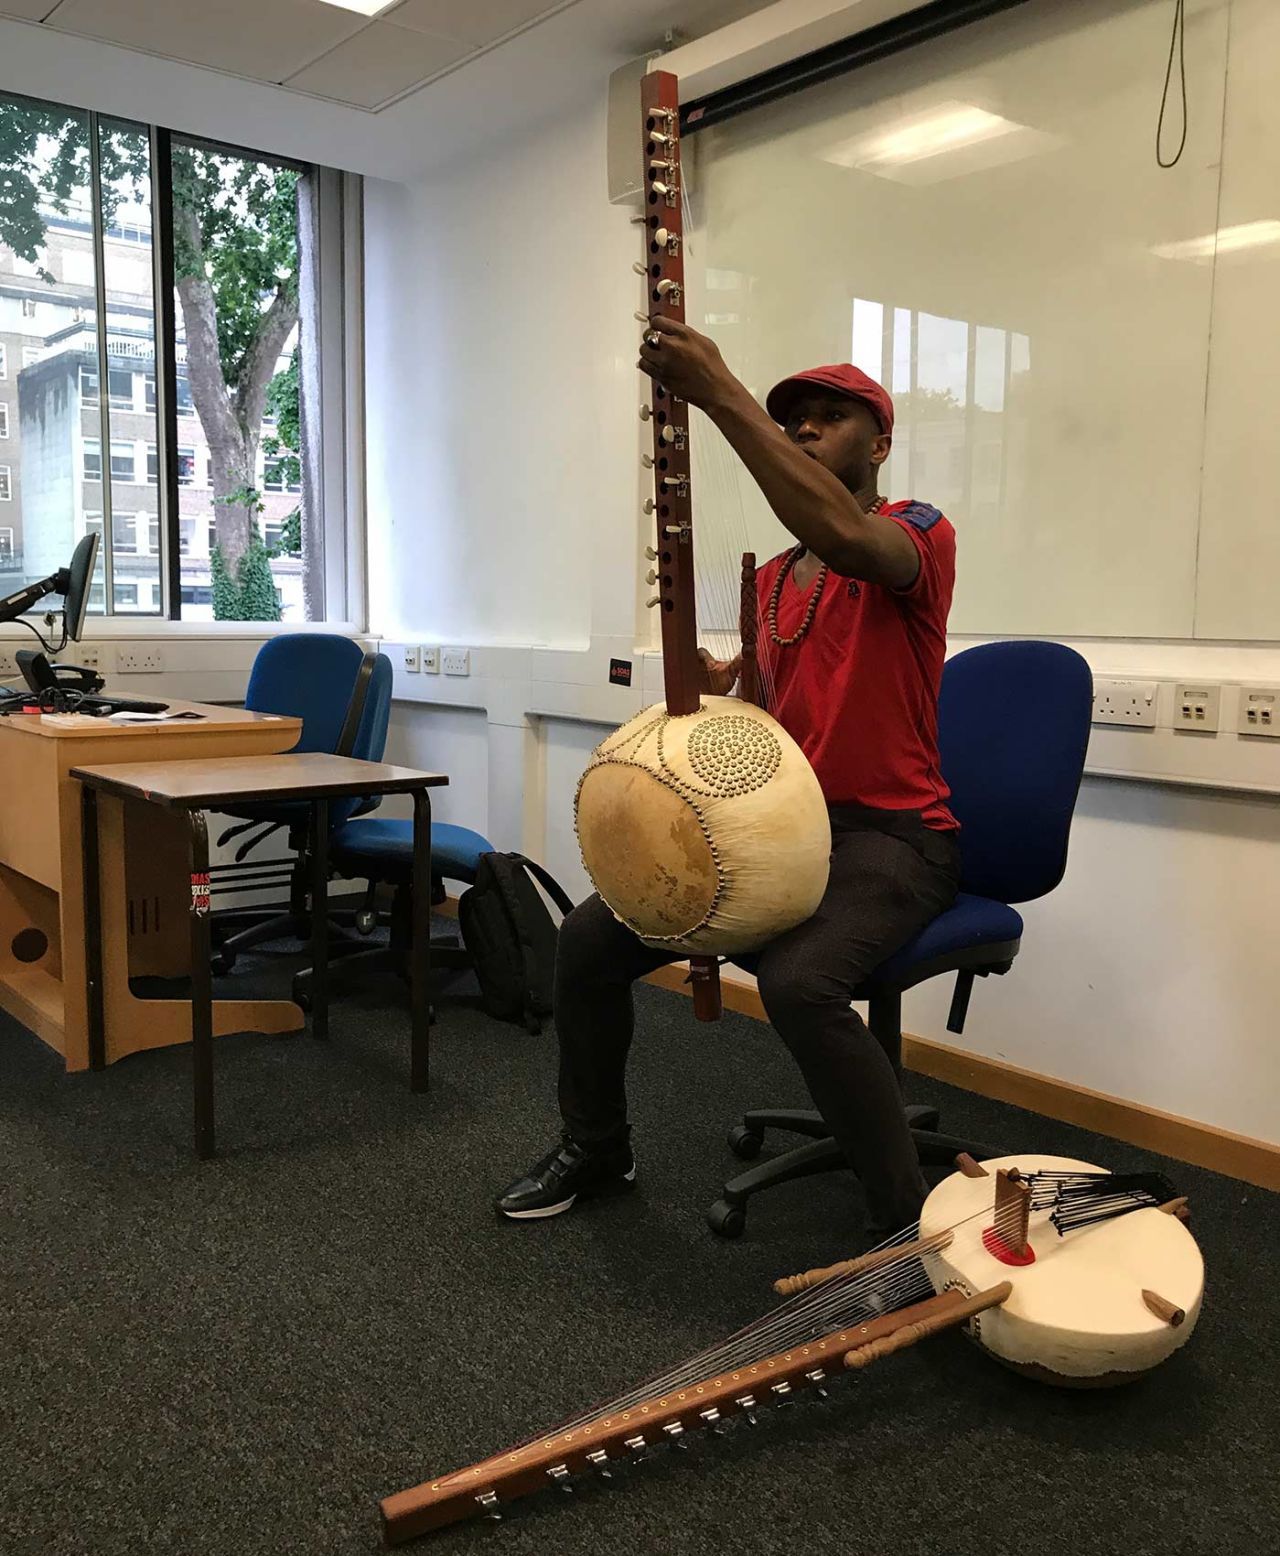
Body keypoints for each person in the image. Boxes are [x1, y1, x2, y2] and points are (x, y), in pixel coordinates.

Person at [496, 317, 959, 1243]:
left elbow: (842, 533)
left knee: (799, 983)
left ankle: (905, 1231)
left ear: (882, 442)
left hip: (896, 838)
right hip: (788, 830)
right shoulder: (780, 579)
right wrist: (731, 686)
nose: (807, 431)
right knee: (589, 938)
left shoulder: (914, 535)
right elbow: (785, 710)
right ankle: (596, 1146)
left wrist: (719, 392)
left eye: (832, 418)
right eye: (796, 422)